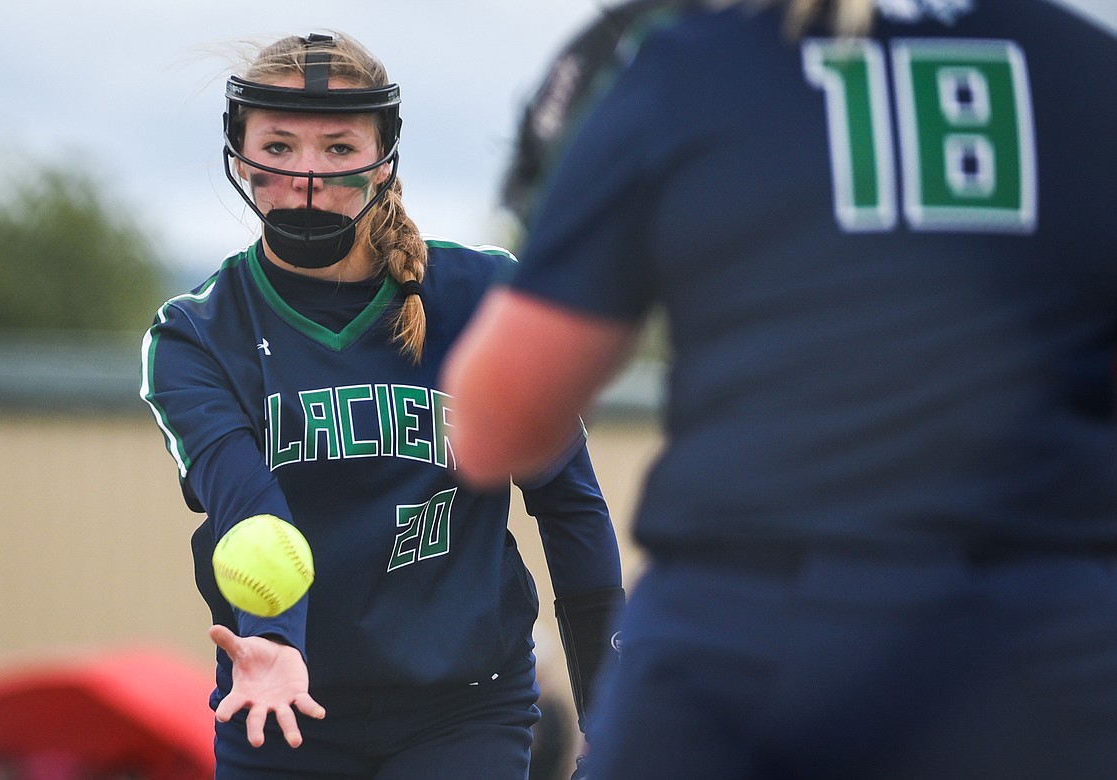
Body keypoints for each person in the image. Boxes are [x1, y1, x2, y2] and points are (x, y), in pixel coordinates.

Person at [443, 1, 1117, 778]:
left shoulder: (693, 68)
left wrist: (555, 204)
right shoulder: (1091, 76)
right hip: (1035, 645)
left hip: (750, 639)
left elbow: (496, 429)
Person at [138, 31, 624, 779]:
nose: (306, 175)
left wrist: (610, 710)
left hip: (465, 705)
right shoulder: (197, 333)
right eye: (279, 145)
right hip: (280, 695)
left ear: (383, 161)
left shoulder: (481, 298)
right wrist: (273, 639)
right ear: (240, 159)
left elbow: (569, 505)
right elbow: (249, 507)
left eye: (338, 147)